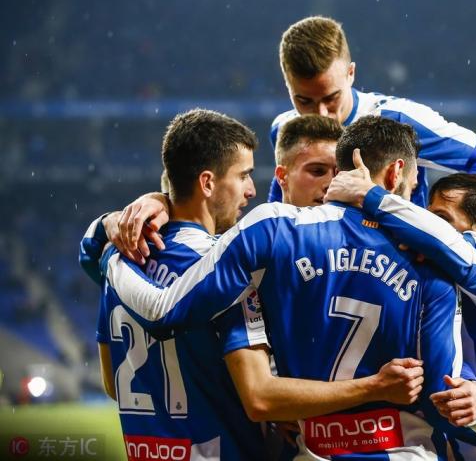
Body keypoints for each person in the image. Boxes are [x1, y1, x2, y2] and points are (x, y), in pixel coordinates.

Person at [101, 116, 476, 459]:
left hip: (314, 450)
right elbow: (443, 400)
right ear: (396, 174)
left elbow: (168, 310)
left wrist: (108, 248)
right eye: (414, 185)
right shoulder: (429, 261)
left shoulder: (271, 231)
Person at [80, 109, 425, 460]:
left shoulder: (128, 261)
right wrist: (352, 393)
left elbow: (113, 384)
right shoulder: (233, 270)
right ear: (208, 183)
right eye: (243, 175)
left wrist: (120, 222)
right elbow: (261, 397)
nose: (251, 190)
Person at [325, 159, 476, 460]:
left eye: (441, 219)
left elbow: (460, 251)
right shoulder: (441, 286)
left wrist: (369, 194)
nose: (427, 227)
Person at [268, 15, 476, 207]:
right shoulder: (284, 128)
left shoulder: (396, 119)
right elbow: (280, 195)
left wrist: (450, 224)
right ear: (287, 86)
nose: (321, 113)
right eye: (304, 100)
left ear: (350, 73)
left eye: (331, 98)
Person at [274, 114, 342, 207]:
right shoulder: (262, 216)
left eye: (339, 174)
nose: (331, 185)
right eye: (317, 171)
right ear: (282, 176)